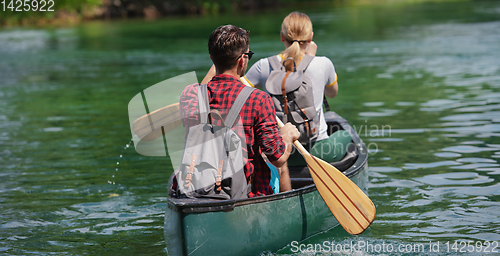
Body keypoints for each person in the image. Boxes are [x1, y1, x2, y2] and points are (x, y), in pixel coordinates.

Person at [179, 25, 300, 197]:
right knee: (279, 162)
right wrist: (286, 136)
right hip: (242, 193)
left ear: (212, 58)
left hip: (195, 189)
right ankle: (288, 207)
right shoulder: (259, 99)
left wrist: (219, 59)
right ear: (242, 61)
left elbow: (204, 87)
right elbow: (278, 157)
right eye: (248, 55)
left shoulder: (189, 95)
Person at [243, 11, 352, 165]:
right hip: (318, 152)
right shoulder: (323, 64)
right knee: (345, 135)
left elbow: (238, 94)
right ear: (311, 37)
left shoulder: (263, 66)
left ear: (282, 36)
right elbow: (332, 93)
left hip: (278, 154)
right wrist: (311, 58)